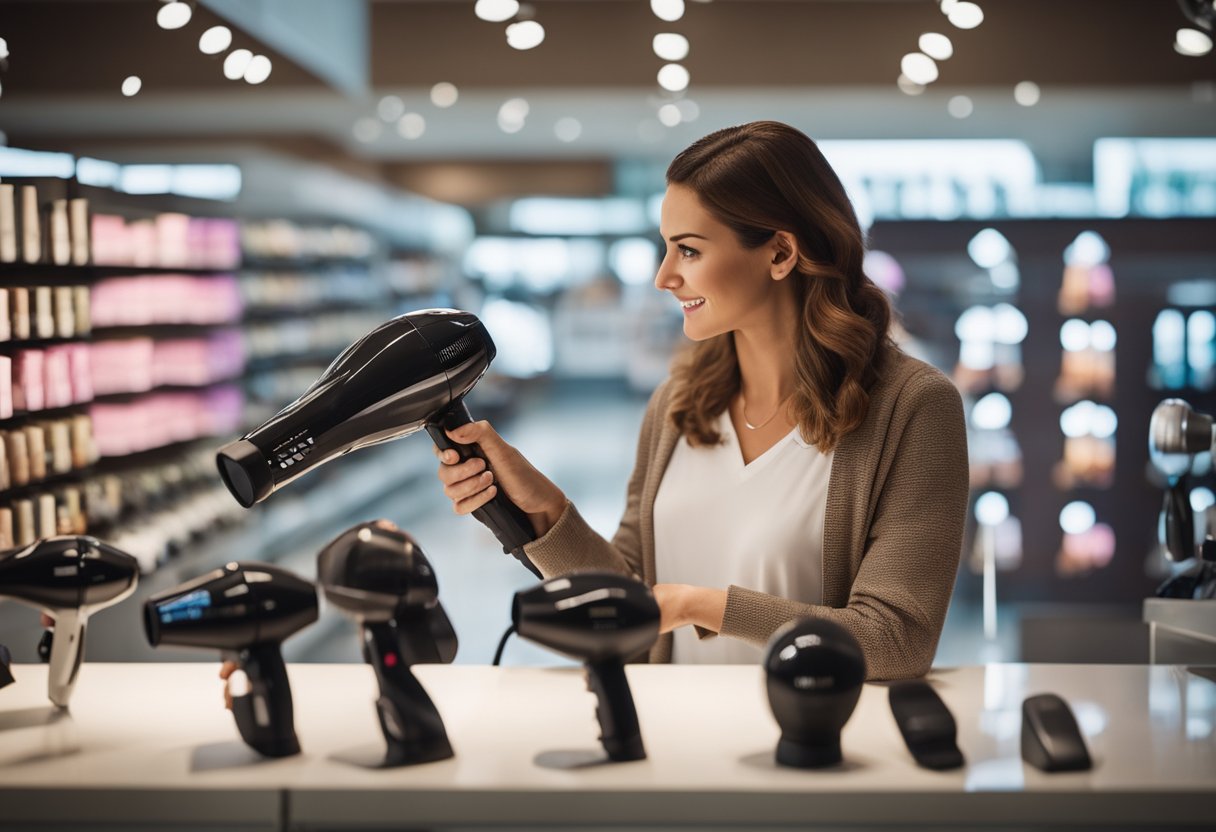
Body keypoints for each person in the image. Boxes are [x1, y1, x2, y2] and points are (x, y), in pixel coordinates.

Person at [436, 121, 969, 680]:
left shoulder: (913, 408)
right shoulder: (678, 405)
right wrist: (543, 510)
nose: (664, 277)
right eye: (666, 249)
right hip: (677, 745)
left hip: (816, 750)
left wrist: (703, 605)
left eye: (688, 250)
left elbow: (897, 639)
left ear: (781, 252)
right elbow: (634, 599)